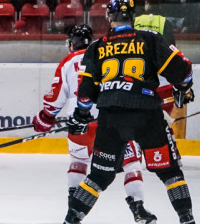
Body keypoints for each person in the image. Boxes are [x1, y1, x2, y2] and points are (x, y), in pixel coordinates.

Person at [63, 0, 195, 224]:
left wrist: (81, 116)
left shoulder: (97, 47)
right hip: (147, 116)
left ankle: (70, 220)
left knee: (98, 177)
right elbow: (184, 72)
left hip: (111, 118)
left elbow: (85, 93)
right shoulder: (150, 39)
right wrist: (182, 89)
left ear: (108, 17)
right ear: (132, 16)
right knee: (170, 173)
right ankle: (187, 219)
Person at [34, 24, 157, 223]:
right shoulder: (105, 55)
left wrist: (45, 118)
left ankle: (73, 210)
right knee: (131, 162)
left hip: (79, 123)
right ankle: (138, 207)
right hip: (111, 121)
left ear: (71, 43)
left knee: (79, 163)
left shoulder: (67, 61)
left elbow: (56, 96)